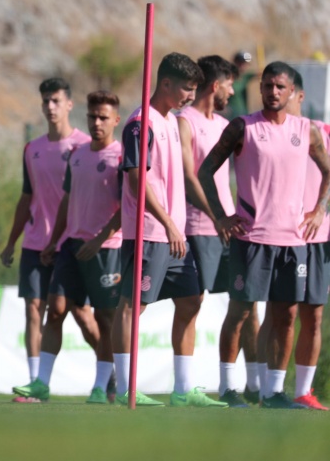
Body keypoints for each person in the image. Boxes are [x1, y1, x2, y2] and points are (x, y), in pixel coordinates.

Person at [198, 61, 330, 408]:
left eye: (279, 87)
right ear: (260, 89)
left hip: (293, 242)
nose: (273, 91)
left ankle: (274, 392)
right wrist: (221, 217)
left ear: (292, 92)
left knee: (286, 317)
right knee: (240, 313)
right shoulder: (243, 127)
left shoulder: (307, 130)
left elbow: (328, 172)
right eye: (268, 85)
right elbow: (205, 170)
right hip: (251, 239)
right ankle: (228, 388)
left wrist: (319, 210)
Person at [111, 52, 227, 407]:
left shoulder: (172, 122)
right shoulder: (140, 123)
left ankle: (183, 389)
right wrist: (168, 224)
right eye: (187, 89)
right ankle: (125, 387)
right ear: (165, 83)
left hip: (173, 235)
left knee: (191, 300)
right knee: (132, 306)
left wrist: (205, 218)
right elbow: (136, 181)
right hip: (150, 232)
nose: (191, 96)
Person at [12, 90, 123, 404]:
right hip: (71, 247)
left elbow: (128, 210)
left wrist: (98, 240)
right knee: (56, 309)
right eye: (92, 116)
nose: (97, 122)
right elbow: (66, 202)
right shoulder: (77, 154)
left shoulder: (121, 157)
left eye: (103, 117)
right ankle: (41, 383)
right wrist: (53, 241)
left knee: (104, 319)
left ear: (115, 120)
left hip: (106, 250)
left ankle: (102, 386)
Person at [0, 78, 101, 401]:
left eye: (56, 100)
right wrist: (11, 241)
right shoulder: (32, 149)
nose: (50, 107)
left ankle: (109, 370)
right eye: (45, 101)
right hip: (34, 242)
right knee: (34, 309)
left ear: (69, 104)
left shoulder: (85, 146)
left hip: (71, 244)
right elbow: (26, 197)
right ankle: (35, 385)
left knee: (83, 316)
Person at [175, 55, 260, 407]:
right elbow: (188, 176)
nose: (233, 91)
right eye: (229, 84)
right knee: (191, 305)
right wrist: (216, 217)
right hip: (199, 228)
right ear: (215, 85)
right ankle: (184, 388)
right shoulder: (184, 121)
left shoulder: (226, 125)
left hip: (230, 229)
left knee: (247, 304)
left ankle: (254, 384)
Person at [286, 71, 329, 410]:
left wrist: (320, 212)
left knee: (313, 316)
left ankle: (303, 391)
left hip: (320, 239)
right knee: (281, 315)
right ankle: (264, 387)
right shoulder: (261, 130)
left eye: (283, 89)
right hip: (283, 236)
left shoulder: (323, 131)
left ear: (299, 96)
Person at [227, 51, 256, 119]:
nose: (243, 66)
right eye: (241, 63)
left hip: (243, 113)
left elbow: (261, 73)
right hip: (230, 115)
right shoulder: (227, 77)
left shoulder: (245, 77)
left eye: (245, 64)